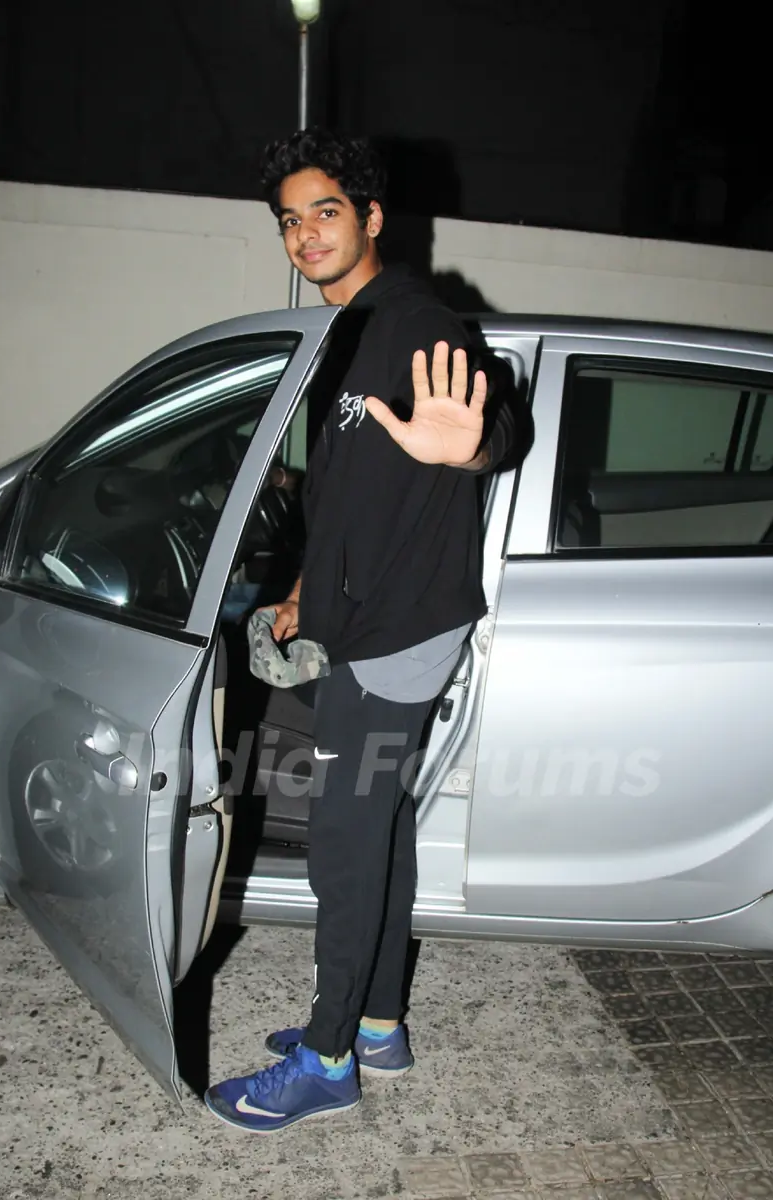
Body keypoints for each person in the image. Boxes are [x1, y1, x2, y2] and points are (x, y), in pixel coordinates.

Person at [205, 128, 515, 1134]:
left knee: (341, 847)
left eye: (324, 213)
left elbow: (483, 415)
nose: (304, 235)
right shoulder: (340, 335)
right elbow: (341, 499)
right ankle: (378, 1025)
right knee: (375, 831)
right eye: (290, 220)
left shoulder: (413, 320)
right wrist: (301, 587)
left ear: (371, 218)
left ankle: (327, 1055)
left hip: (393, 640)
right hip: (369, 623)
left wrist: (477, 450)